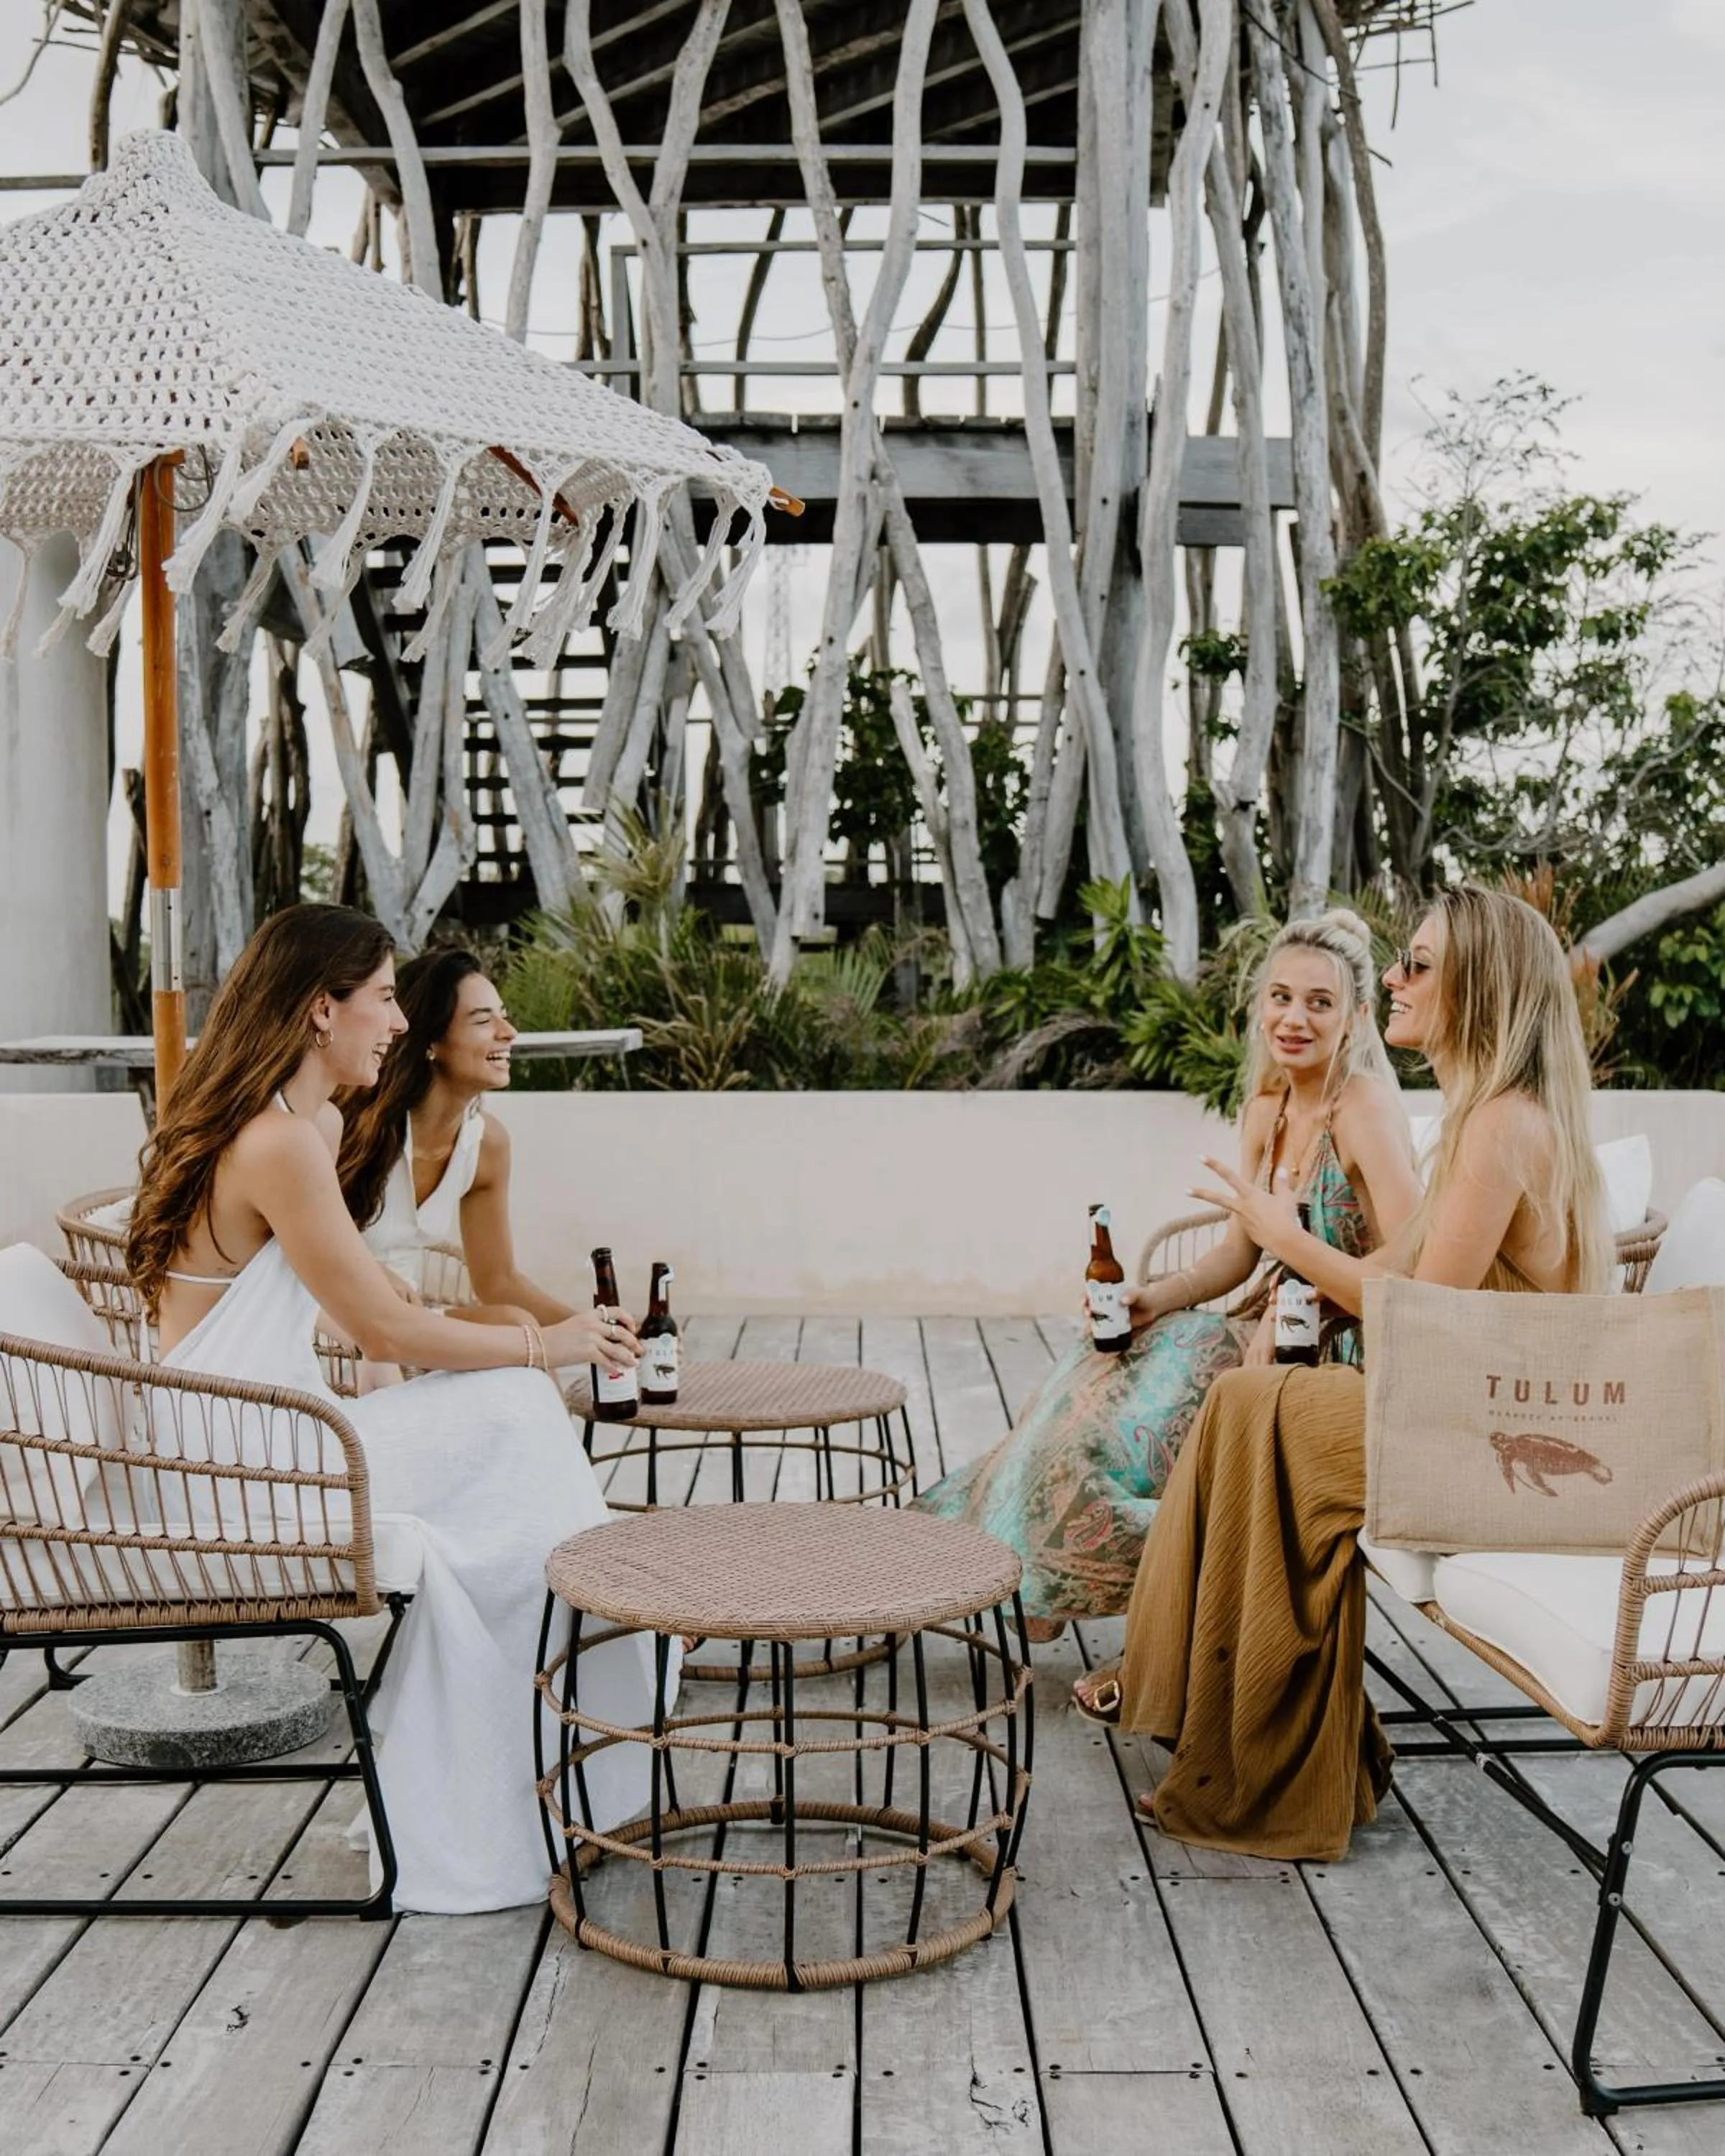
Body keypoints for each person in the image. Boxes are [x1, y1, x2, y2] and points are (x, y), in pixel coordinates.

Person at [125, 903, 666, 1915]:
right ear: (321, 1010)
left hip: (284, 1431)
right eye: (382, 997)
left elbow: (361, 1307)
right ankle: (573, 1709)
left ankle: (565, 1695)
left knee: (511, 1422)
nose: (398, 1021)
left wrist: (440, 1323)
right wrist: (544, 1344)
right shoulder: (277, 1143)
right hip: (240, 1466)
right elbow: (382, 1329)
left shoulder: (311, 1128)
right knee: (516, 1406)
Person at [1073, 885, 1611, 1863]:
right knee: (1246, 1403)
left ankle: (1254, 1762)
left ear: (1479, 988)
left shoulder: (1500, 1126)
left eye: (1418, 965)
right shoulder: (1490, 1115)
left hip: (1493, 1441)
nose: (1393, 979)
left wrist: (1281, 1235)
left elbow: (1416, 1313)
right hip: (1467, 1411)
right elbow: (1403, 1273)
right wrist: (1305, 1287)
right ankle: (1239, 1733)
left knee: (1260, 1417)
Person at [914, 910, 1420, 1640]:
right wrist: (1154, 1297)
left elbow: (1410, 1275)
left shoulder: (1363, 1109)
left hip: (1342, 1349)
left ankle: (1067, 1579)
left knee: (1141, 1412)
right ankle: (1004, 1566)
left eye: (1320, 1002)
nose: (1294, 1019)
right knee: (1091, 1377)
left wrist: (1299, 1302)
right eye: (1280, 997)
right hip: (1265, 1325)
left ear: (1357, 1019)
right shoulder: (1268, 1110)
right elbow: (1236, 1257)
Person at [337, 946, 573, 1325]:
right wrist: (373, 1275)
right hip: (332, 1325)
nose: (508, 1033)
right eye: (483, 1020)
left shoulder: (486, 1144)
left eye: (505, 1017)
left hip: (411, 1322)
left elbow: (498, 1282)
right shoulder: (353, 1126)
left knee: (516, 1324)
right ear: (431, 1042)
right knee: (518, 1330)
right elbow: (285, 1239)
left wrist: (593, 1329)